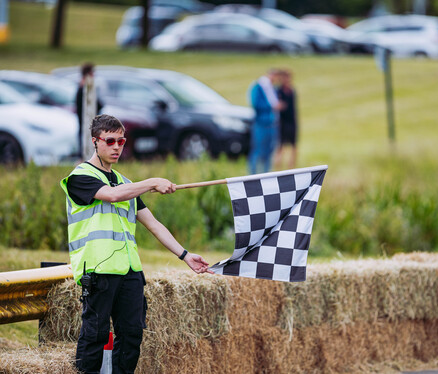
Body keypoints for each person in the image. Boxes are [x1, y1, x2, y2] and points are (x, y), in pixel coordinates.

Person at [60, 114, 213, 374]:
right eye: (110, 141)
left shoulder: (126, 183)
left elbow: (153, 224)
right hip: (98, 270)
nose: (117, 146)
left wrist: (185, 255)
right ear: (95, 142)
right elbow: (111, 195)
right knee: (95, 335)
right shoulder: (80, 177)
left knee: (132, 335)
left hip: (130, 271)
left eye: (121, 140)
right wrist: (152, 182)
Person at [247, 69, 282, 174]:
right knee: (258, 150)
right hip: (261, 123)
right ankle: (252, 174)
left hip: (273, 123)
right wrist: (271, 106)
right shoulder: (258, 87)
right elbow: (255, 104)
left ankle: (266, 174)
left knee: (269, 151)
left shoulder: (273, 88)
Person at [75, 62, 102, 160]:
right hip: (86, 123)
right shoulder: (85, 89)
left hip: (84, 122)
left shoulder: (81, 87)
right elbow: (98, 104)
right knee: (85, 144)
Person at [274, 69, 298, 170]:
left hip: (291, 121)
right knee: (281, 145)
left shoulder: (292, 91)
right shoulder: (278, 91)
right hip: (282, 121)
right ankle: (278, 166)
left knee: (294, 145)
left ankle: (291, 166)